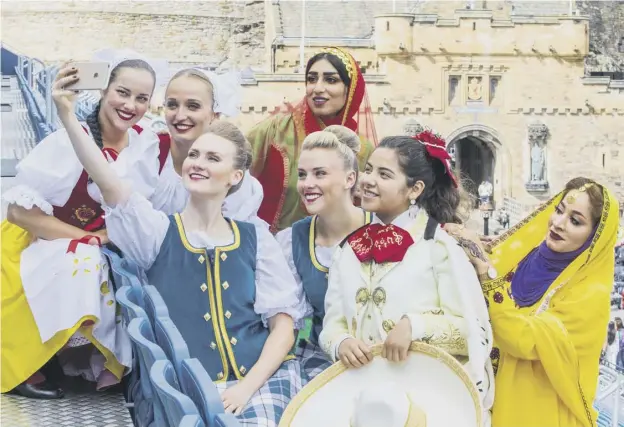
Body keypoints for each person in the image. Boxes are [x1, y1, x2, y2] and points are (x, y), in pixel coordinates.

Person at [53, 65, 306, 424]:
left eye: (212, 158)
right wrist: (66, 113)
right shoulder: (156, 231)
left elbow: (283, 326)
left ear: (236, 177)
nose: (198, 163)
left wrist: (246, 388)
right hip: (194, 392)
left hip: (262, 381)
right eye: (194, 155)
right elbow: (106, 179)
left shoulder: (256, 239)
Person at [1, 50, 168, 398]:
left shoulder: (145, 144)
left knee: (101, 266)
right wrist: (86, 237)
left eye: (141, 98)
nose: (130, 105)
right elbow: (18, 213)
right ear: (104, 92)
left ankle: (72, 359)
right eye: (122, 92)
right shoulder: (68, 140)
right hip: (36, 239)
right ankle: (21, 366)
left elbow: (139, 206)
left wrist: (106, 236)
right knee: (84, 262)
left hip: (92, 243)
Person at [318, 131, 494, 423]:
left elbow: (475, 333)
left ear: (414, 189)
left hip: (427, 398)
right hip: (364, 401)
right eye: (369, 169)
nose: (369, 180)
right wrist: (341, 343)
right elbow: (332, 325)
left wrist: (416, 325)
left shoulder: (438, 247)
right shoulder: (347, 250)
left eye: (385, 174)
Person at [445, 177, 620, 426]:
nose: (558, 223)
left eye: (575, 221)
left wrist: (484, 269)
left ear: (594, 239)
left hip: (538, 413)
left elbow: (521, 338)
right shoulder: (527, 254)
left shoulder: (589, 294)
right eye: (559, 210)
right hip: (487, 398)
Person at [275, 125, 372, 381]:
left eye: (320, 174)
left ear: (350, 179)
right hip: (323, 357)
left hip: (384, 355)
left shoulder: (384, 230)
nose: (307, 184)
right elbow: (288, 323)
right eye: (303, 175)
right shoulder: (292, 241)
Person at [247, 47, 377, 232]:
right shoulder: (274, 132)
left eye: (331, 80)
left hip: (338, 252)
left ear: (351, 89)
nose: (317, 88)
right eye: (311, 79)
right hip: (275, 251)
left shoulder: (362, 151)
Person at [149, 67, 265, 226]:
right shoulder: (149, 154)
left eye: (193, 106)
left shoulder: (231, 169)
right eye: (172, 105)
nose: (180, 115)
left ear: (214, 114)